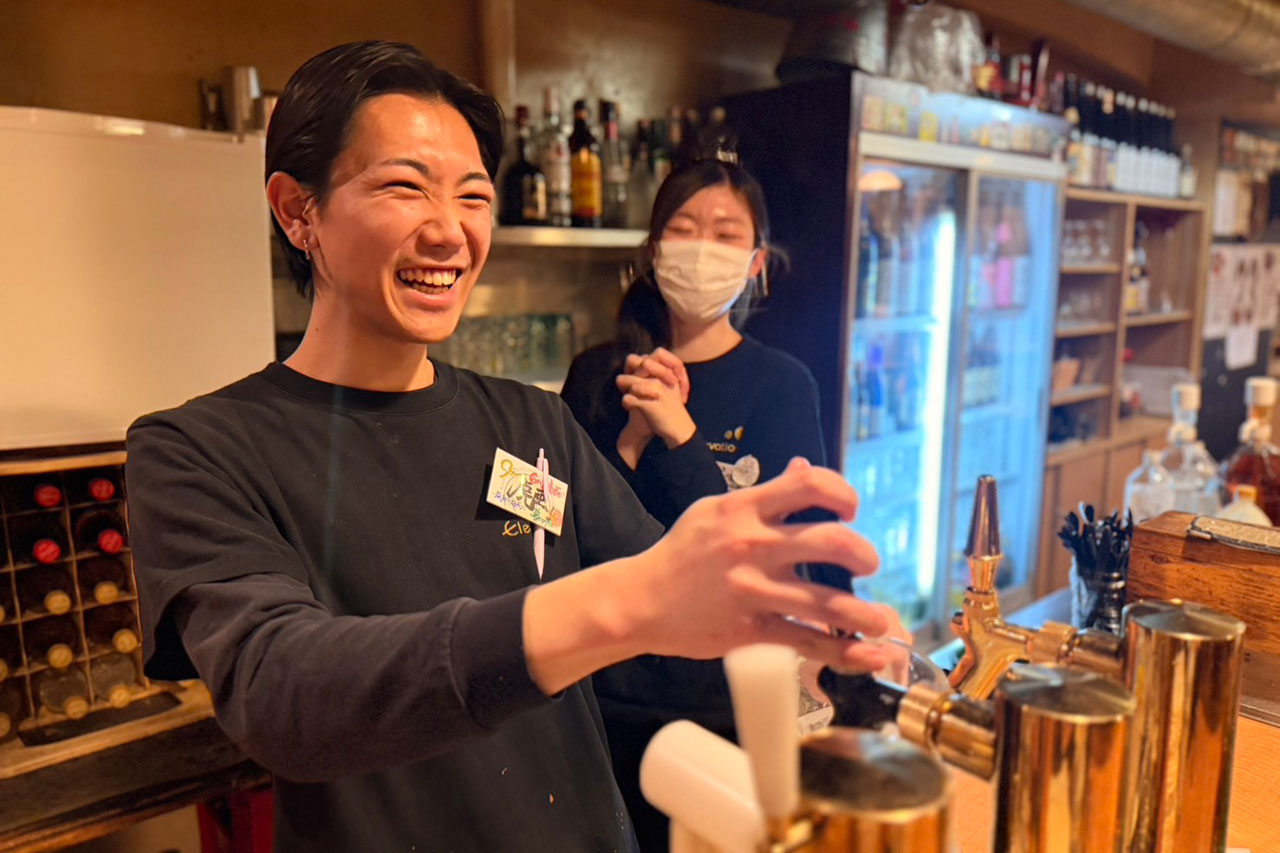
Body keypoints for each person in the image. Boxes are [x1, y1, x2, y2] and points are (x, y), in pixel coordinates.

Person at [124, 42, 893, 852]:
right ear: (297, 211)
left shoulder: (531, 428)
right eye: (404, 186)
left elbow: (668, 621)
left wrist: (801, 644)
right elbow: (281, 691)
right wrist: (617, 603)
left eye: (473, 196)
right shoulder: (200, 450)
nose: (449, 231)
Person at [560, 160, 853, 850]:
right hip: (603, 694)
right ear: (654, 250)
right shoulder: (597, 375)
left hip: (724, 703)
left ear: (756, 263)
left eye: (725, 234)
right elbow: (570, 540)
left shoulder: (783, 386)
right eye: (683, 228)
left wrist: (682, 438)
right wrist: (632, 439)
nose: (701, 248)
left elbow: (778, 560)